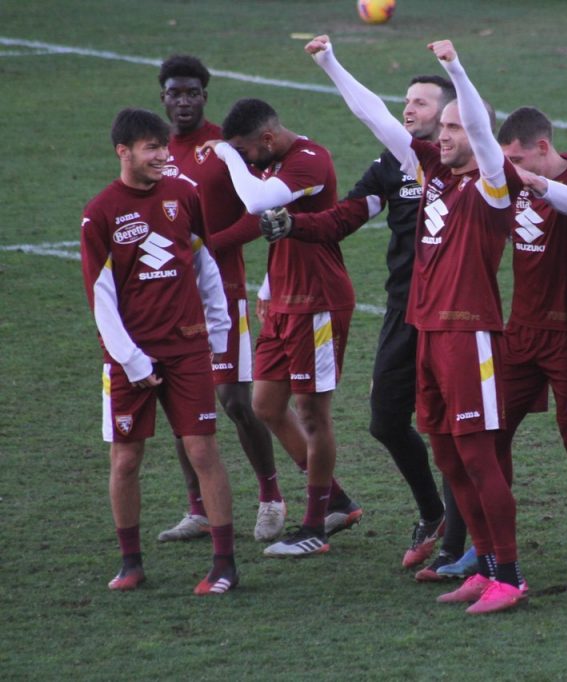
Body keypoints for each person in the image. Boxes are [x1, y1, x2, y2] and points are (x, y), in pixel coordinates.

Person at [303, 35, 527, 613]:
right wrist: (330, 63)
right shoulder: (432, 172)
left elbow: (480, 128)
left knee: (477, 456)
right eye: (440, 127)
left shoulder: (493, 186)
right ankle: (481, 562)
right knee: (449, 458)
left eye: (454, 127)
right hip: (426, 333)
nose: (443, 135)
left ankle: (510, 574)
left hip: (469, 334)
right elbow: (375, 117)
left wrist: (455, 67)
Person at [200, 98, 367, 557]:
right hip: (283, 303)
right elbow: (271, 229)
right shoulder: (277, 162)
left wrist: (226, 154)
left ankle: (314, 526)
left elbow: (256, 204)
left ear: (267, 139)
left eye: (247, 150)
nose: (246, 158)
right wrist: (270, 289)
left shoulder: (311, 160)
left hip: (318, 302)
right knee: (266, 405)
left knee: (313, 413)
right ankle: (337, 502)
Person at [81, 107, 237, 595]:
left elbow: (205, 262)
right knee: (125, 459)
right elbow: (100, 298)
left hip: (188, 347)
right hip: (131, 357)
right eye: (152, 148)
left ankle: (225, 564)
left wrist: (219, 329)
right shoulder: (100, 213)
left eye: (164, 147)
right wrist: (132, 359)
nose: (163, 156)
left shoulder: (183, 195)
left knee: (202, 449)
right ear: (123, 152)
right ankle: (131, 563)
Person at [155, 54, 286, 544]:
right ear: (163, 97)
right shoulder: (158, 151)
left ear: (205, 96)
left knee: (234, 399)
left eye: (192, 93)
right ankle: (198, 509)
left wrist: (213, 248)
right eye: (175, 92)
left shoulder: (225, 148)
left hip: (223, 292)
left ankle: (271, 497)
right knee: (178, 400)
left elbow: (262, 211)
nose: (184, 101)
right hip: (169, 295)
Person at [494, 107, 567, 587]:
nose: (513, 168)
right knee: (491, 436)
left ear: (542, 148)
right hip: (520, 331)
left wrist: (531, 182)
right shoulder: (519, 175)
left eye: (520, 158)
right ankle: (491, 549)